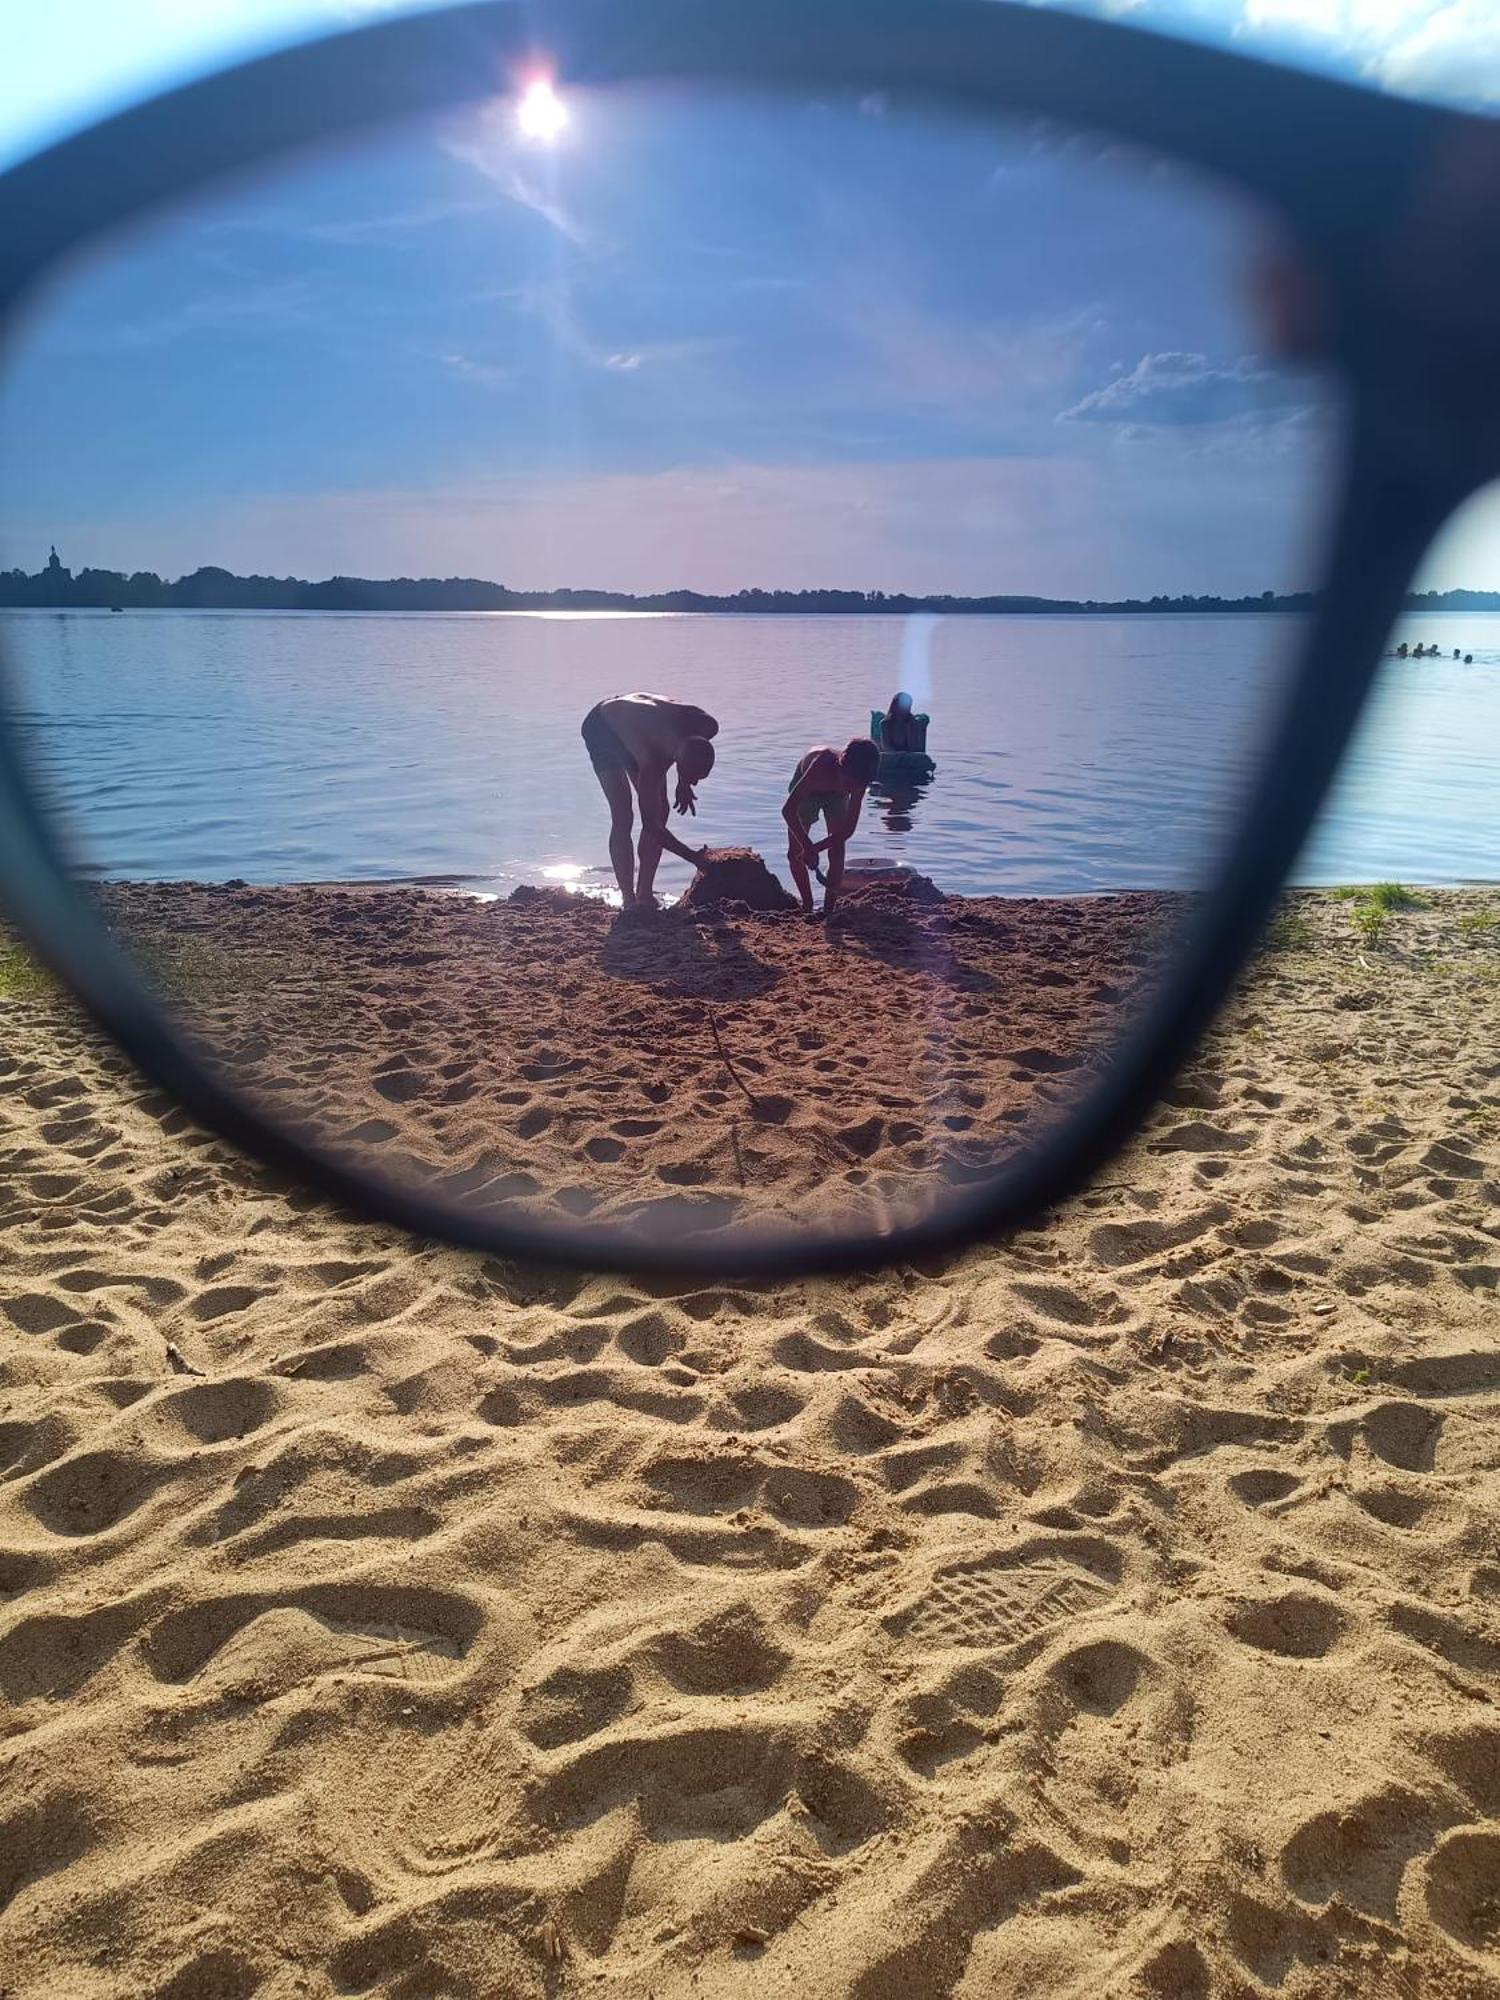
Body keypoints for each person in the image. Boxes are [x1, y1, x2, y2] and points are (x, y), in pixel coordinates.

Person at [580, 692, 717, 909]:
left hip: (639, 721)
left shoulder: (706, 725)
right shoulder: (652, 760)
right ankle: (628, 899)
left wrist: (684, 782)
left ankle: (645, 893)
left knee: (663, 809)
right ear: (677, 761)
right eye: (692, 776)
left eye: (699, 778)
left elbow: (690, 749)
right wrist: (693, 858)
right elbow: (652, 826)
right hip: (603, 727)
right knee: (623, 814)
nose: (695, 784)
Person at [782, 737, 881, 916]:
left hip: (836, 796)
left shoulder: (858, 782)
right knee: (795, 854)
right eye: (849, 784)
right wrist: (806, 844)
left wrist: (816, 848)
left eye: (857, 787)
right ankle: (807, 905)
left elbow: (847, 831)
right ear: (840, 766)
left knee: (837, 848)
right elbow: (788, 811)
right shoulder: (821, 765)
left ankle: (828, 910)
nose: (852, 790)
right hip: (809, 791)